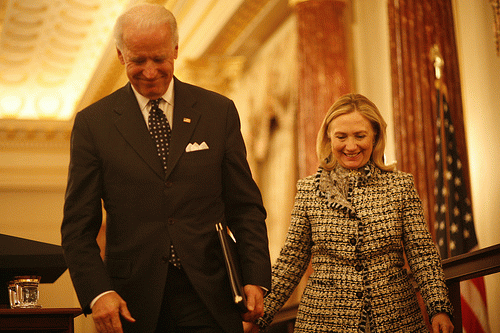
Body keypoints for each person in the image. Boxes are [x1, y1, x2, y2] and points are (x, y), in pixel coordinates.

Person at [60, 4, 271, 333]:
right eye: (137, 60)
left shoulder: (218, 112)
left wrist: (256, 277)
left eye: (158, 59)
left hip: (211, 292)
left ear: (175, 49)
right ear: (120, 55)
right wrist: (98, 293)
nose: (149, 71)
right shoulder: (93, 125)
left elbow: (244, 208)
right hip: (133, 301)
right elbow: (77, 227)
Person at [248, 93, 454, 332]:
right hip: (324, 321)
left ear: (375, 135)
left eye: (360, 136)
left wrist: (438, 307)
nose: (351, 146)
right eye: (341, 137)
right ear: (328, 137)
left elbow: (422, 253)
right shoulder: (308, 190)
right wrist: (258, 317)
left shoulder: (400, 186)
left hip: (396, 320)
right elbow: (291, 262)